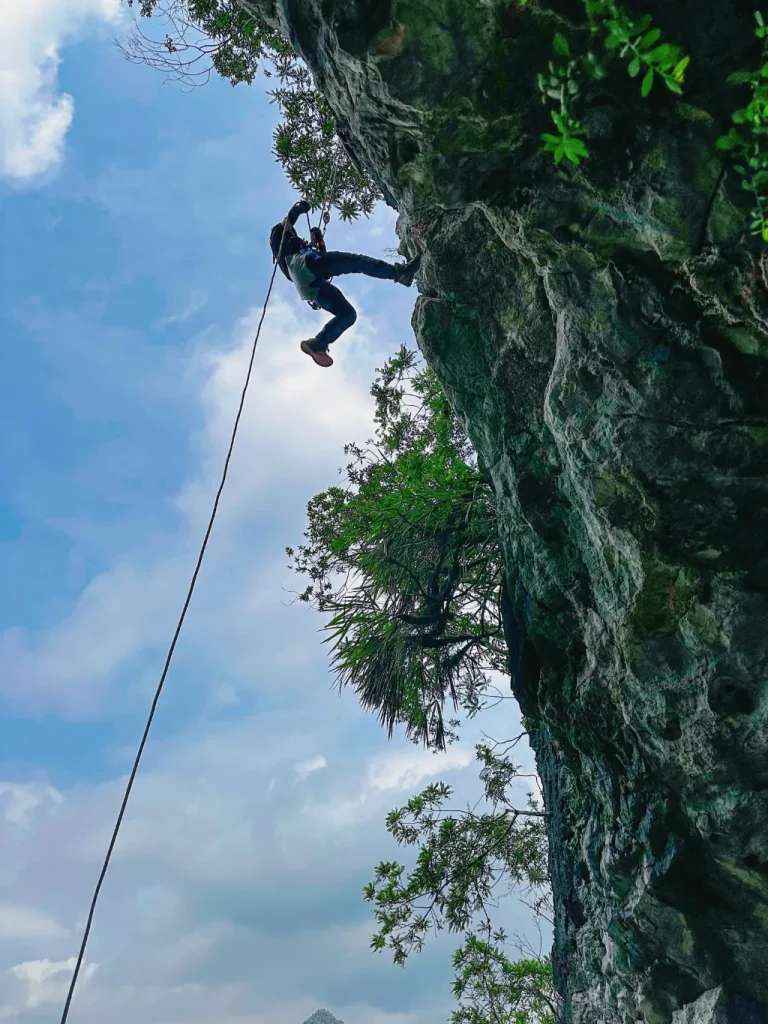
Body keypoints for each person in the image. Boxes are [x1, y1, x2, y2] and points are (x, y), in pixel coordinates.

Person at [269, 198, 421, 368]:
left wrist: (318, 242)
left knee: (348, 315)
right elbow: (288, 221)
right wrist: (298, 208)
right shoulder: (280, 236)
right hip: (304, 267)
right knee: (356, 262)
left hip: (310, 286)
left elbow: (324, 262)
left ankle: (319, 343)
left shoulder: (295, 249)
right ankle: (399, 273)